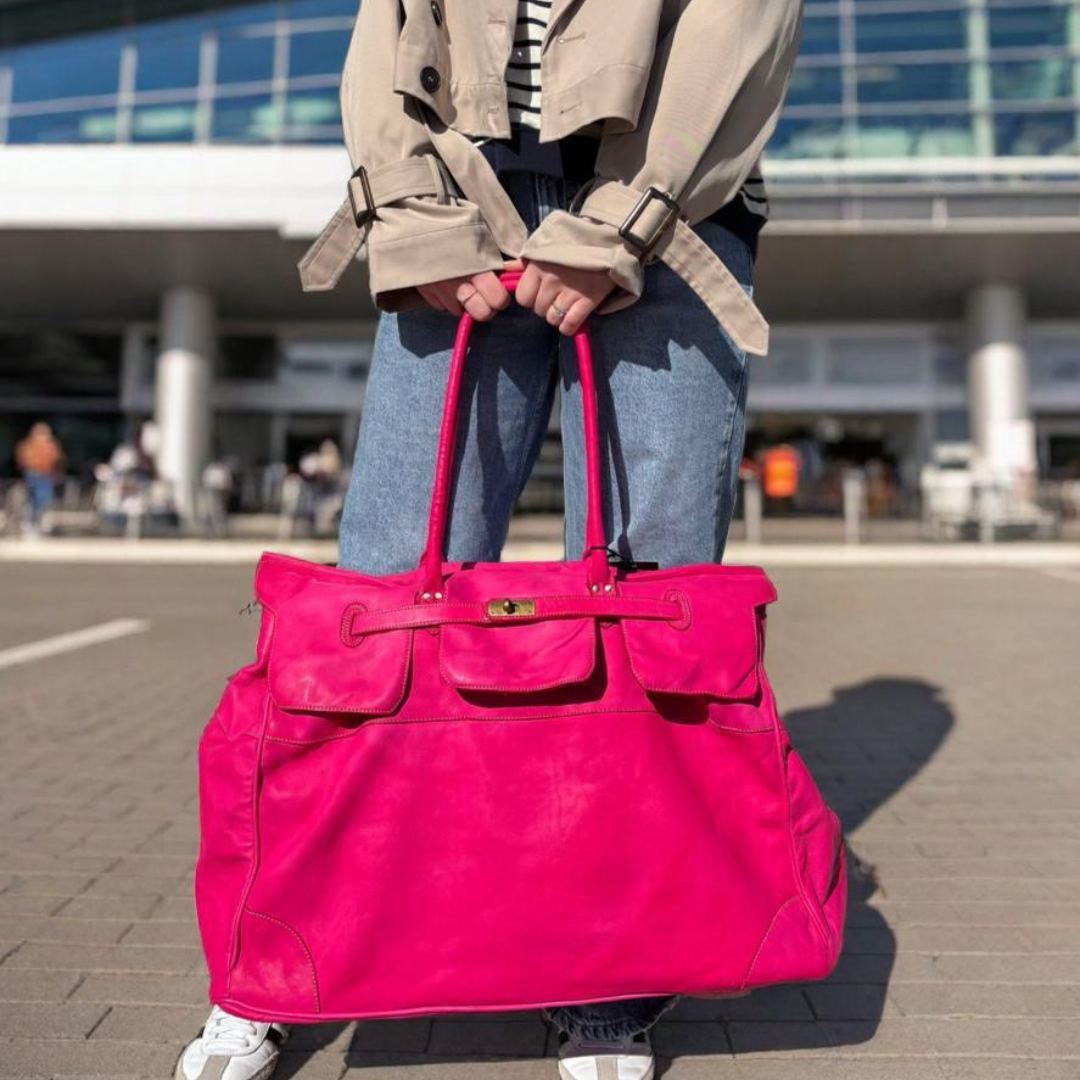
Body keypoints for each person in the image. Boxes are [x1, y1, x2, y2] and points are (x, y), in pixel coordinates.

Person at [177, 1, 803, 1078]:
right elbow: (388, 39)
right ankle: (290, 953)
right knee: (376, 601)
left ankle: (615, 979)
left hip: (673, 196)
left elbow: (734, 31)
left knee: (648, 600)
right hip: (460, 194)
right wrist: (413, 219)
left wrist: (620, 228)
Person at [15, 422, 64, 537]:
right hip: (33, 474)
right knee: (33, 499)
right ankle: (30, 522)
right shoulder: (27, 445)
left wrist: (56, 472)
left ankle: (38, 521)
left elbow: (57, 459)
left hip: (46, 475)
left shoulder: (51, 445)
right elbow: (22, 459)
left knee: (44, 499)